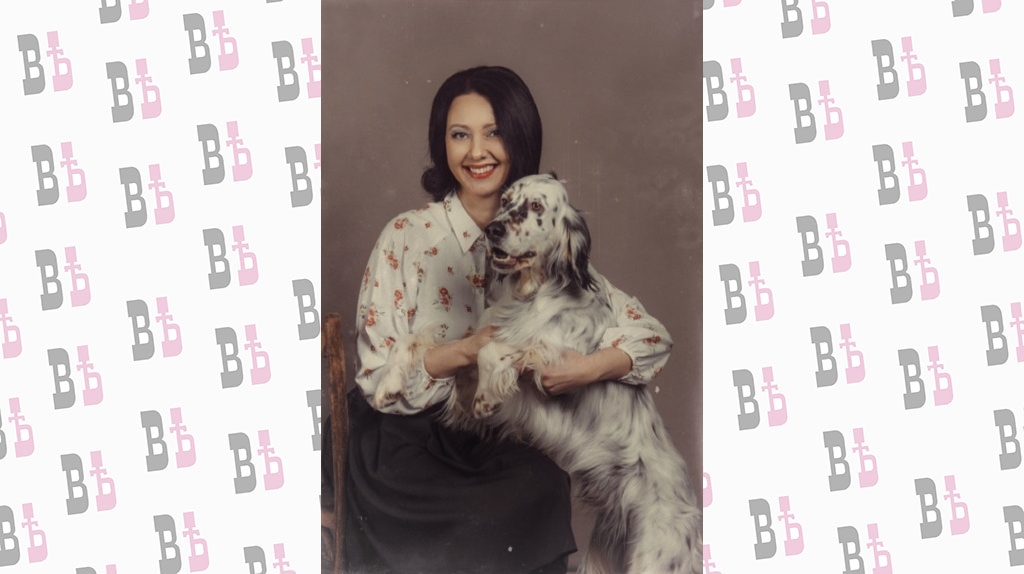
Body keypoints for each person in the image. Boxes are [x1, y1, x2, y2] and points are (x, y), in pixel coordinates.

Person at [343, 65, 673, 574]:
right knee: (485, 511)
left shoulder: (546, 234)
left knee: (540, 486)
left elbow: (651, 337)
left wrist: (587, 368)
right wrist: (467, 350)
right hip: (404, 440)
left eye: (493, 132)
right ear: (442, 144)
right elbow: (373, 377)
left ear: (519, 138)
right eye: (460, 135)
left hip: (487, 440)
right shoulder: (406, 235)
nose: (477, 152)